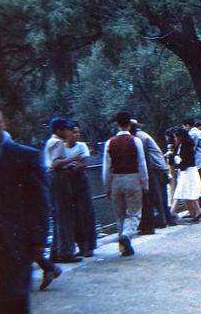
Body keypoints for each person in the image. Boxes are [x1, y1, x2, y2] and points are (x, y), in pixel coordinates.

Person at [0, 105, 50, 314]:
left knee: (15, 302)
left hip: (15, 246)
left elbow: (40, 202)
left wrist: (38, 241)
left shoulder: (25, 156)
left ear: (4, 123)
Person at [102, 111, 149, 256]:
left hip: (116, 179)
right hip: (133, 178)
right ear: (130, 124)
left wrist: (107, 186)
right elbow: (142, 164)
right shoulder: (136, 141)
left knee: (120, 214)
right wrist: (145, 183)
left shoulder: (109, 143)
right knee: (134, 213)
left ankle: (122, 248)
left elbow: (106, 167)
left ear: (116, 124)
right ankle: (126, 236)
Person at [44, 116, 82, 263]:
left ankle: (55, 251)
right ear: (59, 130)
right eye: (66, 129)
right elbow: (55, 163)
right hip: (59, 178)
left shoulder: (50, 142)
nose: (69, 131)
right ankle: (66, 252)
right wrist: (72, 159)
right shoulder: (58, 143)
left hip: (52, 178)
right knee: (65, 215)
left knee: (57, 216)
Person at [131, 119, 172, 232]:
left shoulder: (139, 138)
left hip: (155, 168)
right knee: (161, 197)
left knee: (155, 196)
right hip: (159, 167)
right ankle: (166, 219)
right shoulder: (142, 135)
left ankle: (161, 221)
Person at [62, 123, 96, 257]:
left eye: (78, 133)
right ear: (67, 134)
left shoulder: (81, 146)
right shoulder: (62, 148)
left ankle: (89, 246)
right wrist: (72, 164)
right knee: (73, 214)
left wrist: (69, 166)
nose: (77, 135)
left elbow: (84, 163)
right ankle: (80, 246)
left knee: (86, 213)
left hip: (80, 182)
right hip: (68, 184)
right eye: (74, 132)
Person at [171, 127, 201, 222]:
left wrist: (177, 162)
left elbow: (186, 160)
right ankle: (198, 211)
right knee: (189, 192)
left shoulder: (187, 145)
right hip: (185, 171)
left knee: (181, 191)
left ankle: (171, 213)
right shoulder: (181, 145)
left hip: (188, 171)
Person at [181, 118, 201, 214]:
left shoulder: (193, 134)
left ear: (187, 125)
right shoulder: (196, 132)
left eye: (183, 126)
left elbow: (190, 148)